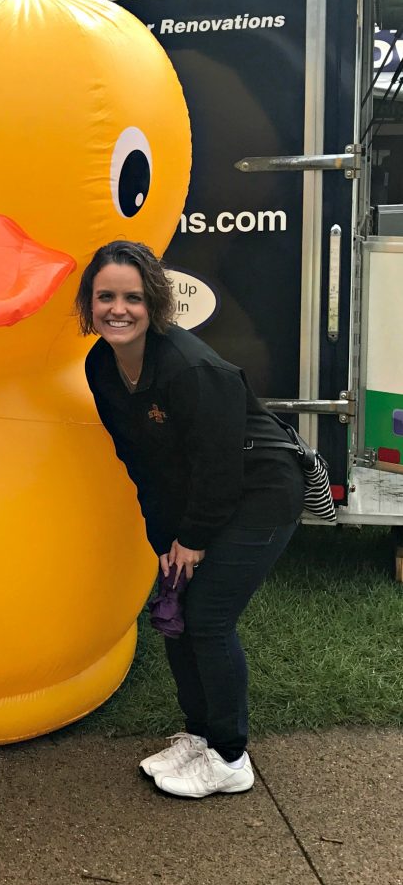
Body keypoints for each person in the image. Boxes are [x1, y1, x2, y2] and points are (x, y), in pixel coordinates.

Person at [75, 240, 304, 799]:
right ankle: (200, 736)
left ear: (153, 302)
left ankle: (230, 757)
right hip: (202, 494)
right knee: (173, 615)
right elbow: (140, 460)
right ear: (90, 302)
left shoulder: (193, 368)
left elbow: (219, 467)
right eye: (105, 297)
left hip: (262, 490)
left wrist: (193, 540)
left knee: (206, 618)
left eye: (132, 297)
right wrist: (164, 541)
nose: (118, 309)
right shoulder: (100, 365)